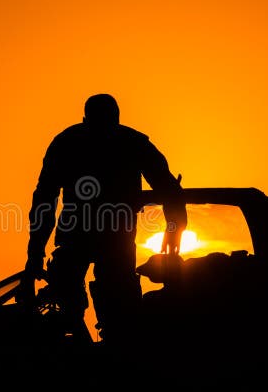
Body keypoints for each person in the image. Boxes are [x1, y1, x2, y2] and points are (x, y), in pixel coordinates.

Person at [25, 93, 187, 344]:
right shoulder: (73, 144)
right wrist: (35, 250)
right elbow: (45, 198)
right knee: (63, 306)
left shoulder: (123, 144)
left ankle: (114, 354)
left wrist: (175, 229)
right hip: (81, 237)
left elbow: (169, 190)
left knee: (119, 310)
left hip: (113, 240)